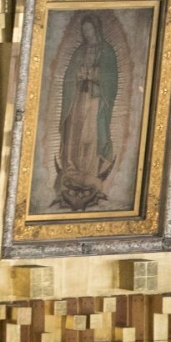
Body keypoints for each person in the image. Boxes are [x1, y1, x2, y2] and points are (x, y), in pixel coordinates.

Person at [54, 13, 120, 213]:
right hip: (78, 99)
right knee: (74, 134)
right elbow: (69, 77)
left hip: (95, 100)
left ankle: (89, 172)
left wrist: (94, 76)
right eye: (84, 31)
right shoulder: (79, 52)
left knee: (89, 136)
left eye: (90, 30)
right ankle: (72, 171)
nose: (87, 34)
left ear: (96, 30)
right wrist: (77, 76)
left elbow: (111, 79)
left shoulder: (107, 52)